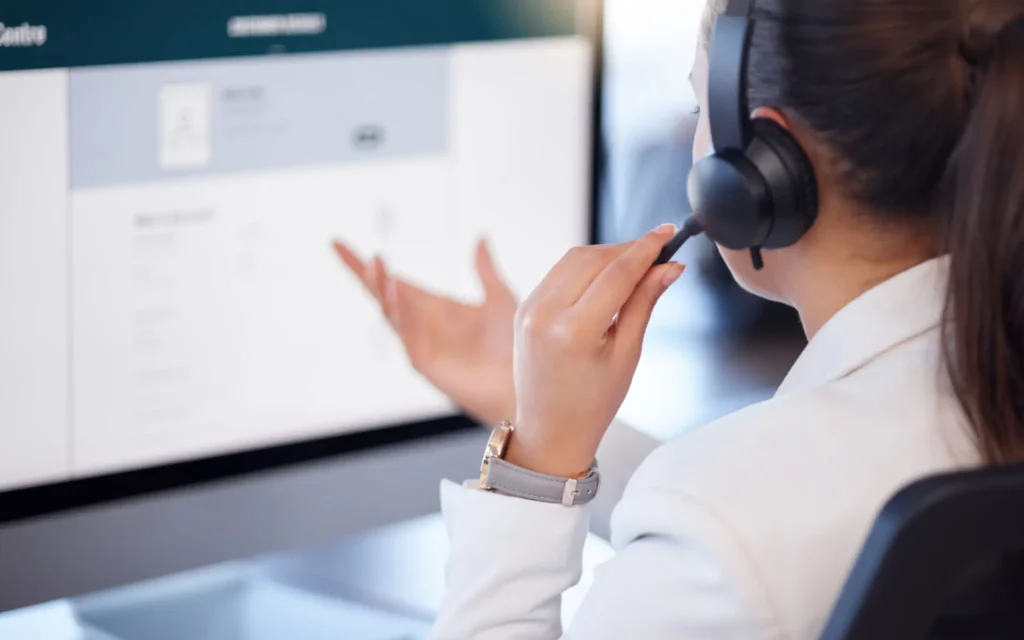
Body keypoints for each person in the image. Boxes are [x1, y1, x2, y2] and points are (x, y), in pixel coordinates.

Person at [333, 0, 1024, 637]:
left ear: (763, 166)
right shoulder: (983, 377)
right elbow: (755, 507)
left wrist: (534, 469)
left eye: (698, 106)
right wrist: (536, 407)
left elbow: (732, 526)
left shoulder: (724, 526)